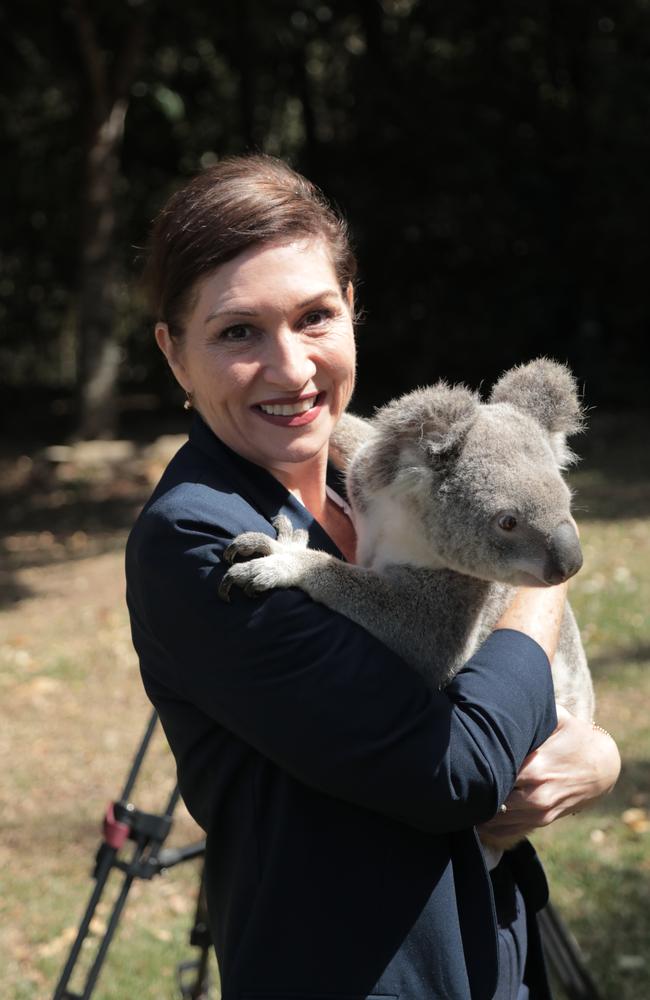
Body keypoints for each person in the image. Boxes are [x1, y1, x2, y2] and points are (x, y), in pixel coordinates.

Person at [126, 155, 620, 1000]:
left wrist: (596, 756)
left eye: (315, 317)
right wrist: (544, 586)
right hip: (355, 965)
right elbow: (456, 772)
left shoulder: (377, 465)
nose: (291, 369)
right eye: (237, 332)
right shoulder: (200, 540)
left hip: (487, 935)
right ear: (175, 354)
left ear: (354, 311)